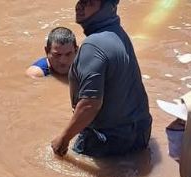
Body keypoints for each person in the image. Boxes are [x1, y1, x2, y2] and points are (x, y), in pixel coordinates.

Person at [51, 0, 152, 158]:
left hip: (108, 141)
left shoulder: (93, 45)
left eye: (89, 2)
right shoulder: (117, 33)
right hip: (140, 131)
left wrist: (63, 139)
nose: (80, 6)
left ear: (107, 9)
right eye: (80, 1)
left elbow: (90, 104)